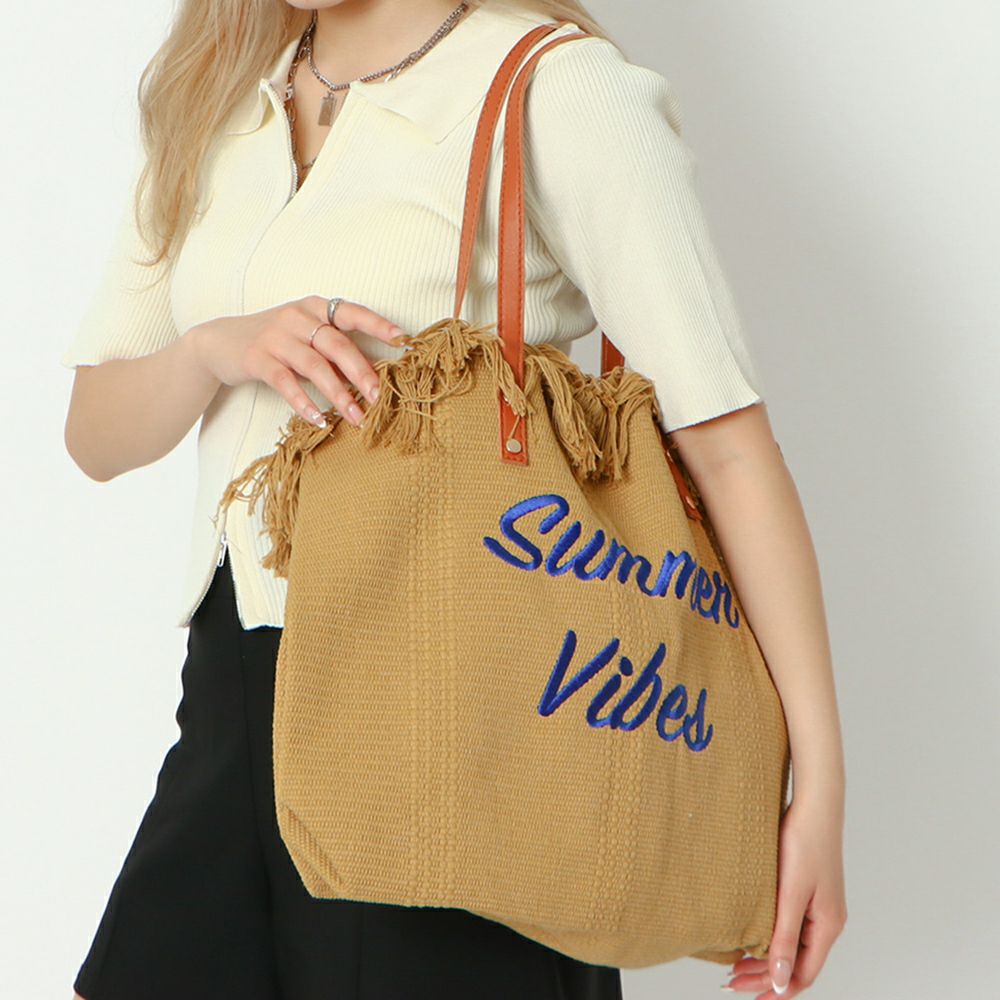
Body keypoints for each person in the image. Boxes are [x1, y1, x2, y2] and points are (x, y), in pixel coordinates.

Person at [61, 1, 847, 998]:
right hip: (230, 702)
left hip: (454, 717)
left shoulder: (554, 87)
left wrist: (818, 788)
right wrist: (213, 349)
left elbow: (726, 449)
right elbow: (95, 435)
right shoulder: (219, 95)